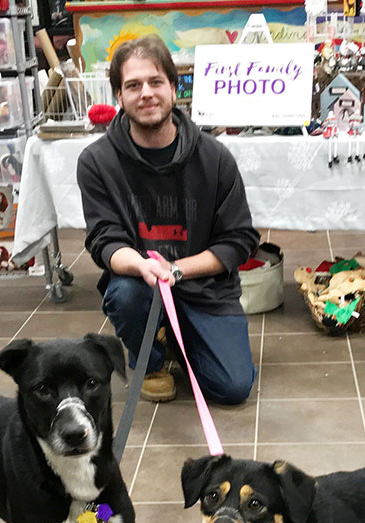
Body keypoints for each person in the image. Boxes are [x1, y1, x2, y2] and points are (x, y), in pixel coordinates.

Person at [76, 35, 259, 404]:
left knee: (233, 388)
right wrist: (143, 267)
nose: (146, 93)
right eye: (133, 85)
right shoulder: (96, 162)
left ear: (174, 89)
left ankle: (178, 336)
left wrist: (175, 270)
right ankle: (152, 358)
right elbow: (104, 240)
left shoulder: (215, 158)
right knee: (127, 293)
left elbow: (239, 239)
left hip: (205, 288)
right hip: (140, 286)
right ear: (119, 96)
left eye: (156, 82)